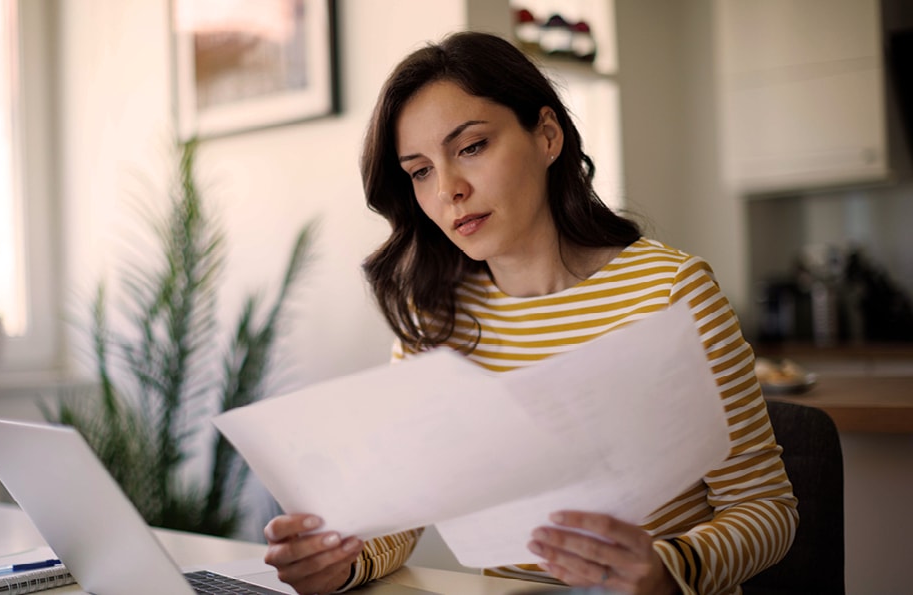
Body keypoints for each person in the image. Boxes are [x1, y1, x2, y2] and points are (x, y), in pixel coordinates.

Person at [262, 31, 798, 595]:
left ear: (547, 135)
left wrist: (670, 568)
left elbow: (766, 508)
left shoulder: (670, 291)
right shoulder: (433, 319)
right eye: (420, 170)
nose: (450, 189)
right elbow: (403, 515)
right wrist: (341, 562)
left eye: (471, 147)